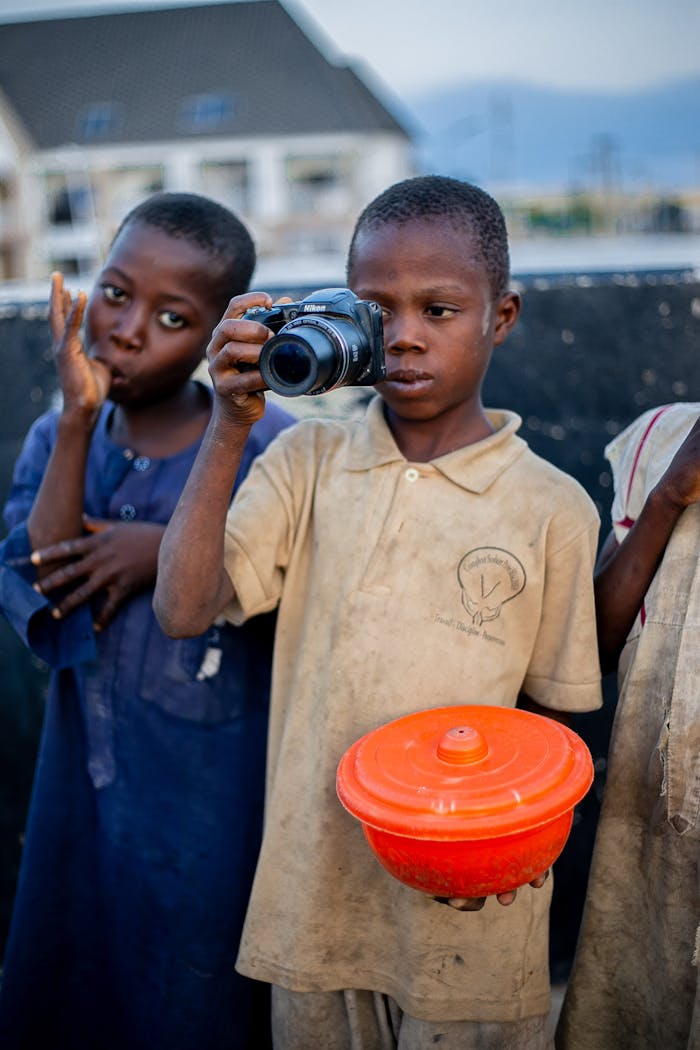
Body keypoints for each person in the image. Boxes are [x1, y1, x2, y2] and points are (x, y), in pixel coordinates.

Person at [154, 174, 603, 1050]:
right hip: (314, 901)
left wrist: (524, 848)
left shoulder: (552, 507)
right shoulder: (307, 461)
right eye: (376, 309)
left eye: (439, 310)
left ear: (499, 317)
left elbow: (555, 719)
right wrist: (230, 425)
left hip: (470, 911)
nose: (403, 338)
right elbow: (183, 608)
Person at [0, 192, 295, 1050]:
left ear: (213, 338)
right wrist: (80, 421)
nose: (126, 330)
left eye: (172, 316)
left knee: (191, 985)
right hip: (82, 786)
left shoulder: (268, 446)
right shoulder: (60, 431)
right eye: (115, 292)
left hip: (211, 787)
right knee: (75, 964)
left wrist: (160, 547)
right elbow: (44, 584)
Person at [556, 402, 700, 1050]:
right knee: (648, 990)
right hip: (657, 821)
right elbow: (599, 643)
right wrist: (670, 494)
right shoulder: (660, 437)